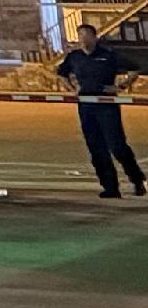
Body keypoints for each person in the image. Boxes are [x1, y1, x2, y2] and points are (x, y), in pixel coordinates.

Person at [63, 30, 147, 197]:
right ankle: (110, 187)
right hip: (86, 106)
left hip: (107, 106)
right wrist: (72, 88)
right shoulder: (74, 57)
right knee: (96, 148)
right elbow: (61, 73)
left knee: (117, 146)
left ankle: (137, 180)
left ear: (95, 38)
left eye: (87, 35)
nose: (83, 39)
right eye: (80, 35)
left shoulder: (108, 55)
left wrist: (121, 86)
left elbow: (134, 69)